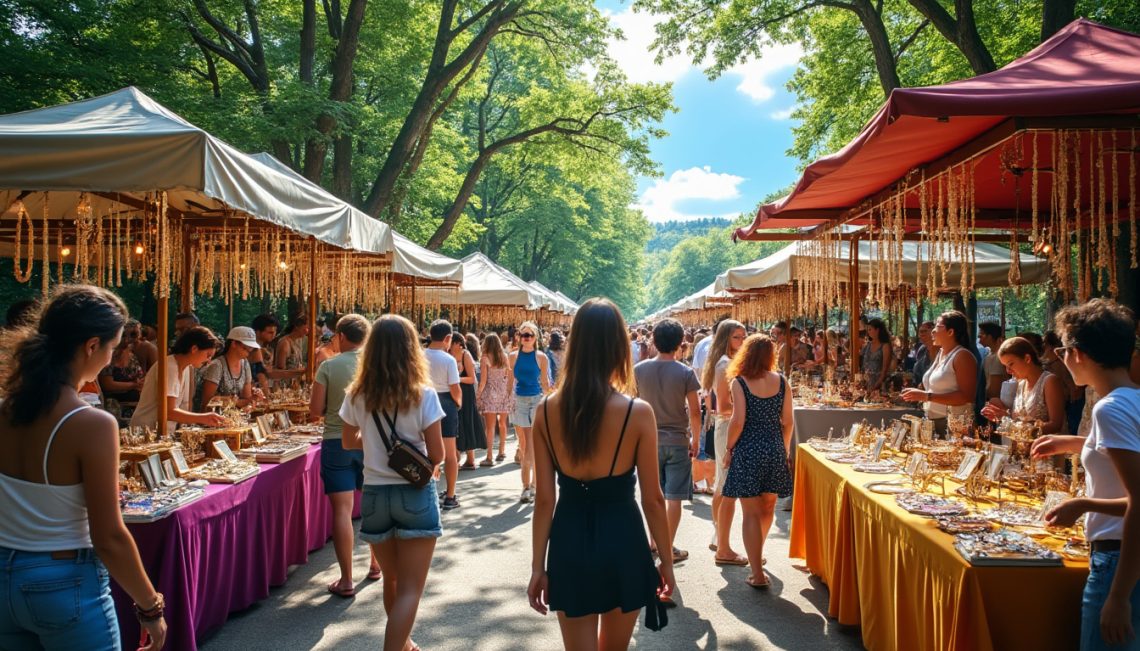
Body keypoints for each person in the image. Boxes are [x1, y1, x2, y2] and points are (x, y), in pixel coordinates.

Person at [0, 285, 166, 649]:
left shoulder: (6, 407)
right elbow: (109, 536)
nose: (111, 358)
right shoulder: (92, 423)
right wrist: (150, 606)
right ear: (92, 346)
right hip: (63, 581)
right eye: (112, 347)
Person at [528, 298, 674, 647]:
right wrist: (666, 561)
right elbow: (653, 499)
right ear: (619, 348)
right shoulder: (637, 413)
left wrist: (537, 567)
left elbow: (545, 500)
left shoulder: (546, 411)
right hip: (622, 539)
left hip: (568, 539)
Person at [1031, 299, 1140, 650]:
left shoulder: (1110, 409)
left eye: (1062, 350)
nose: (1060, 358)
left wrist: (1081, 504)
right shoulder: (1131, 399)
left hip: (1118, 560)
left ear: (1077, 353)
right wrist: (1076, 443)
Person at [339, 315, 445, 651]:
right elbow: (438, 453)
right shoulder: (423, 395)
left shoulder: (358, 394)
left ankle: (405, 644)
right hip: (414, 494)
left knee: (393, 580)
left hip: (374, 494)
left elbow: (347, 441)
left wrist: (375, 443)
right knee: (412, 588)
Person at [309, 314, 381, 598]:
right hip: (371, 442)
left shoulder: (329, 365)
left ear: (340, 336)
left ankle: (347, 579)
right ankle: (376, 564)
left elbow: (315, 409)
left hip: (336, 441)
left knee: (342, 510)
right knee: (373, 504)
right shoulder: (376, 364)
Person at [723, 333, 794, 588]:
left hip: (749, 449)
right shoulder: (783, 382)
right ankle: (758, 556)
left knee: (751, 512)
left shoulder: (739, 383)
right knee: (767, 508)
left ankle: (757, 572)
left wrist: (728, 448)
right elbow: (788, 422)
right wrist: (784, 450)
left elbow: (738, 421)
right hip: (774, 447)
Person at [633, 318, 702, 579]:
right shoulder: (685, 373)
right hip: (677, 440)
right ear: (680, 342)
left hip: (648, 441)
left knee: (652, 495)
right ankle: (666, 546)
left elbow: (632, 404)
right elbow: (695, 412)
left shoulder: (639, 370)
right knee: (674, 498)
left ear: (654, 340)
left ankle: (653, 540)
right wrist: (696, 440)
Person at [702, 319, 748, 565]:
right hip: (726, 426)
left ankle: (719, 536)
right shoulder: (724, 365)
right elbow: (724, 404)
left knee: (723, 482)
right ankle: (722, 542)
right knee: (724, 483)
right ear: (725, 339)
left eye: (744, 336)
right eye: (736, 337)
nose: (741, 341)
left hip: (728, 425)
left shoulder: (728, 362)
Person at [130, 326, 226, 433]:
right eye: (208, 355)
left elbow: (181, 407)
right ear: (194, 349)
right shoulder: (169, 367)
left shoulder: (186, 368)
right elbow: (168, 412)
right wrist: (203, 418)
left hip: (160, 432)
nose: (209, 361)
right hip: (144, 432)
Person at [901, 311, 977, 437]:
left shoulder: (962, 356)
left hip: (953, 426)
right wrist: (917, 392)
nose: (933, 331)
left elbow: (967, 397)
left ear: (950, 332)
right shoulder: (941, 353)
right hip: (932, 421)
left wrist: (927, 396)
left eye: (937, 326)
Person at [980, 337, 1068, 435]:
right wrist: (1003, 416)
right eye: (1005, 366)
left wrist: (1020, 430)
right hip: (1023, 447)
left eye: (1011, 364)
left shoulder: (1049, 381)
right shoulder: (1021, 383)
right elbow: (1019, 420)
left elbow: (1056, 425)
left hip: (1047, 446)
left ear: (1027, 358)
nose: (1008, 371)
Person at [511, 321, 552, 504]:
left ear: (536, 338)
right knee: (524, 443)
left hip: (536, 399)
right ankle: (529, 486)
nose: (526, 338)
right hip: (519, 400)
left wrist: (552, 399)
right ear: (519, 337)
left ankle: (529, 487)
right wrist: (506, 400)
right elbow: (509, 380)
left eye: (530, 335)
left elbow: (544, 382)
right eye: (523, 335)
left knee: (531, 444)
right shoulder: (512, 356)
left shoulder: (541, 357)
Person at [425, 320, 463, 511]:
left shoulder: (419, 356)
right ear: (448, 338)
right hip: (446, 402)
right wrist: (458, 403)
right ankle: (450, 495)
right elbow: (455, 388)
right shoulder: (448, 360)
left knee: (425, 449)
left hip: (424, 403)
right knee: (450, 454)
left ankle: (427, 491)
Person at [197, 326, 260, 411]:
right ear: (233, 344)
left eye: (251, 348)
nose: (249, 351)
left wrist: (253, 399)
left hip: (233, 419)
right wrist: (238, 402)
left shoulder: (245, 364)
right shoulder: (216, 366)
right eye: (246, 348)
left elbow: (246, 400)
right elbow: (207, 404)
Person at [451, 333, 487, 470]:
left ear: (457, 343)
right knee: (458, 423)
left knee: (468, 421)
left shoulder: (465, 355)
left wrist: (456, 379)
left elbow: (472, 378)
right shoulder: (448, 353)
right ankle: (457, 457)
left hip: (466, 392)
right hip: (455, 392)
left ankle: (470, 459)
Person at [478, 333, 514, 466]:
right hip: (503, 391)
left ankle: (489, 456)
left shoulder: (485, 358)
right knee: (503, 423)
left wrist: (478, 394)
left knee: (490, 426)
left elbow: (483, 380)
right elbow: (506, 375)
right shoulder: (504, 357)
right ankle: (501, 451)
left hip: (490, 392)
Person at [1044, 331, 1085, 436]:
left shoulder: (1057, 363)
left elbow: (1068, 380)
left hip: (1071, 399)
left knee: (1074, 425)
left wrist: (1074, 390)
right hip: (1065, 398)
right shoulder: (1050, 361)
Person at [248, 314, 303, 392]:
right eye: (270, 332)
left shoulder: (266, 348)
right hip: (255, 391)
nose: (274, 335)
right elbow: (265, 375)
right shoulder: (254, 349)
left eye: (275, 332)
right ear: (258, 332)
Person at [100, 333, 146, 403]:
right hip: (114, 402)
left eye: (132, 335)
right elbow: (107, 385)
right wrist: (134, 385)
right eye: (124, 336)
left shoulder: (132, 356)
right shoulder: (109, 356)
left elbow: (140, 378)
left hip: (134, 400)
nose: (128, 340)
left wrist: (139, 383)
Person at [978, 322, 1009, 400]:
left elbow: (994, 389)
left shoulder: (996, 357)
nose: (979, 337)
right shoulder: (989, 354)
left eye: (982, 334)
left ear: (990, 336)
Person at [861, 318, 893, 392]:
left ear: (877, 330)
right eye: (867, 330)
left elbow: (885, 369)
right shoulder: (868, 345)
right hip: (865, 384)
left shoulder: (885, 346)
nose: (868, 332)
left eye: (870, 329)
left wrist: (875, 386)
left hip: (879, 384)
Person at [912, 321, 935, 387]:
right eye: (920, 332)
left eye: (924, 331)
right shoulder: (921, 350)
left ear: (933, 331)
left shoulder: (941, 350)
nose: (921, 334)